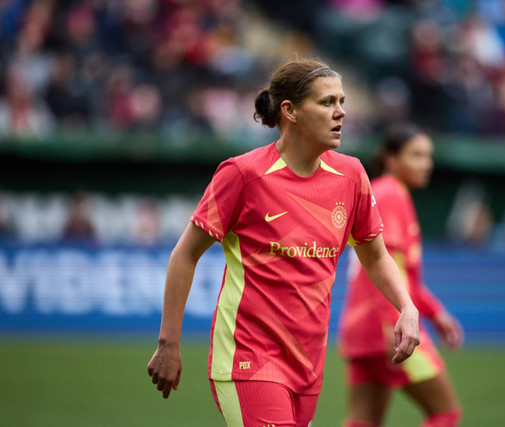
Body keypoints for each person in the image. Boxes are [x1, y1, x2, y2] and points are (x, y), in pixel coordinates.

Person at [146, 58, 421, 427]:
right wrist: (169, 342)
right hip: (248, 356)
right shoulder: (242, 174)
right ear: (290, 111)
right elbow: (185, 254)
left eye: (342, 102)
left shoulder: (352, 174)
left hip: (308, 364)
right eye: (327, 103)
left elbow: (375, 255)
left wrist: (407, 307)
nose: (340, 113)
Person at [339, 124, 464, 427]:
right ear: (392, 159)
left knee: (363, 421)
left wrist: (436, 314)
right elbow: (385, 269)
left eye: (428, 156)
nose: (426, 164)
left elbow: (401, 276)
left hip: (360, 330)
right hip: (389, 328)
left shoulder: (384, 192)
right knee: (445, 414)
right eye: (416, 155)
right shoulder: (390, 194)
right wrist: (390, 324)